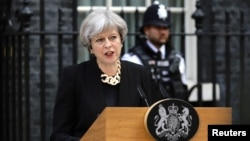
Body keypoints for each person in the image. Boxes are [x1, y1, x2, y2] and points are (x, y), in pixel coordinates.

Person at [50, 10, 152, 141]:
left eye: (113, 37)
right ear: (90, 47)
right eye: (99, 40)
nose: (108, 45)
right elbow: (58, 135)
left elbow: (149, 124)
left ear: (121, 40)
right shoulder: (73, 76)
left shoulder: (139, 74)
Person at [122, 1, 188, 103]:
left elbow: (183, 91)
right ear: (146, 30)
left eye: (166, 28)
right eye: (158, 27)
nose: (163, 32)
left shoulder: (177, 58)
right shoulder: (133, 59)